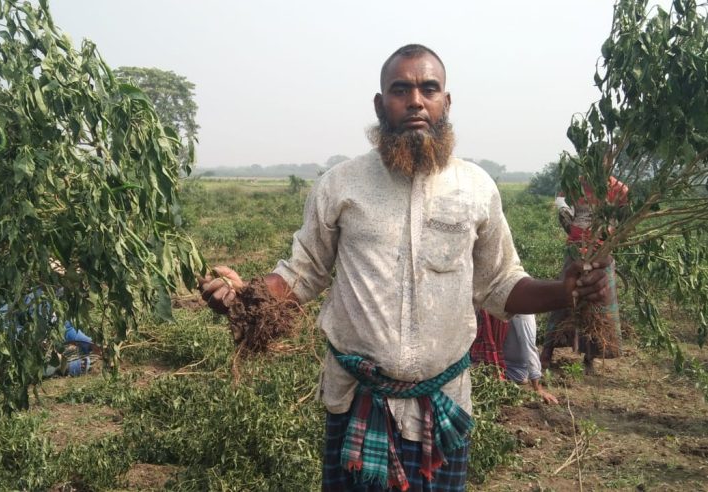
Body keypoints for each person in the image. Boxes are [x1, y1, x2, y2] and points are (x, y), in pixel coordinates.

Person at [202, 44, 611, 491]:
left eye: (428, 89)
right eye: (400, 90)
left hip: (444, 403)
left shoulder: (475, 188)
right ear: (381, 105)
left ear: (445, 102)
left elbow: (500, 284)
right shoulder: (341, 184)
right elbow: (304, 271)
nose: (415, 100)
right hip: (357, 400)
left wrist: (564, 290)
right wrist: (243, 299)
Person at [540, 177, 628, 374]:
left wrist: (610, 237)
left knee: (598, 305)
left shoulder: (619, 189)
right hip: (576, 249)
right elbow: (562, 204)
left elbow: (625, 218)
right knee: (564, 297)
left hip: (602, 251)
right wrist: (570, 225)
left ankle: (590, 357)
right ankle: (547, 352)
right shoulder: (575, 183)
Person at [470, 310, 558, 404]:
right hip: (490, 363)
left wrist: (537, 389)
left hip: (512, 369)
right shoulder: (491, 307)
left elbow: (528, 346)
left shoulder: (522, 312)